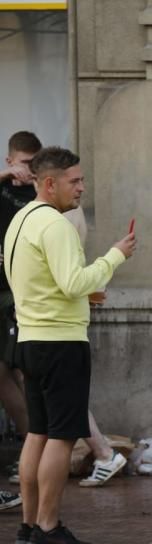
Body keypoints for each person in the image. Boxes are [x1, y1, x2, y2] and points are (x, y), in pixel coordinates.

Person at [4, 146, 135, 544]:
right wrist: (115, 256)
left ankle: (29, 527)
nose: (81, 188)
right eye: (74, 181)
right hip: (60, 343)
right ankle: (48, 526)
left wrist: (80, 292)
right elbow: (74, 282)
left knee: (37, 434)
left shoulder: (20, 220)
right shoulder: (54, 225)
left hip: (30, 337)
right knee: (61, 437)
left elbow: (48, 281)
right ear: (48, 184)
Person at [0, 131, 39, 500]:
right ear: (11, 159)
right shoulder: (4, 187)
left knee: (22, 372)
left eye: (33, 163)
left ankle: (34, 447)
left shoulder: (39, 195)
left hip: (19, 297)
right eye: (24, 163)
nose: (28, 172)